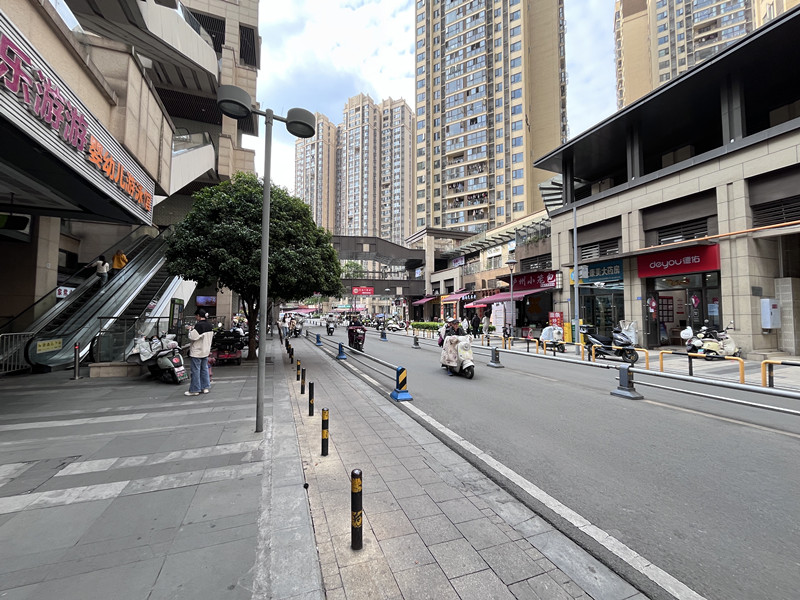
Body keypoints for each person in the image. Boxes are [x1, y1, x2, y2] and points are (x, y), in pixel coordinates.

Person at [186, 309, 214, 396]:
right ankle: (205, 387)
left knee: (195, 371)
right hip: (205, 351)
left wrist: (190, 330)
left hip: (197, 351)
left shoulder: (199, 325)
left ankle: (195, 390)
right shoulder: (209, 325)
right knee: (204, 369)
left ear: (198, 316)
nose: (195, 317)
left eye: (196, 316)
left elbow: (192, 337)